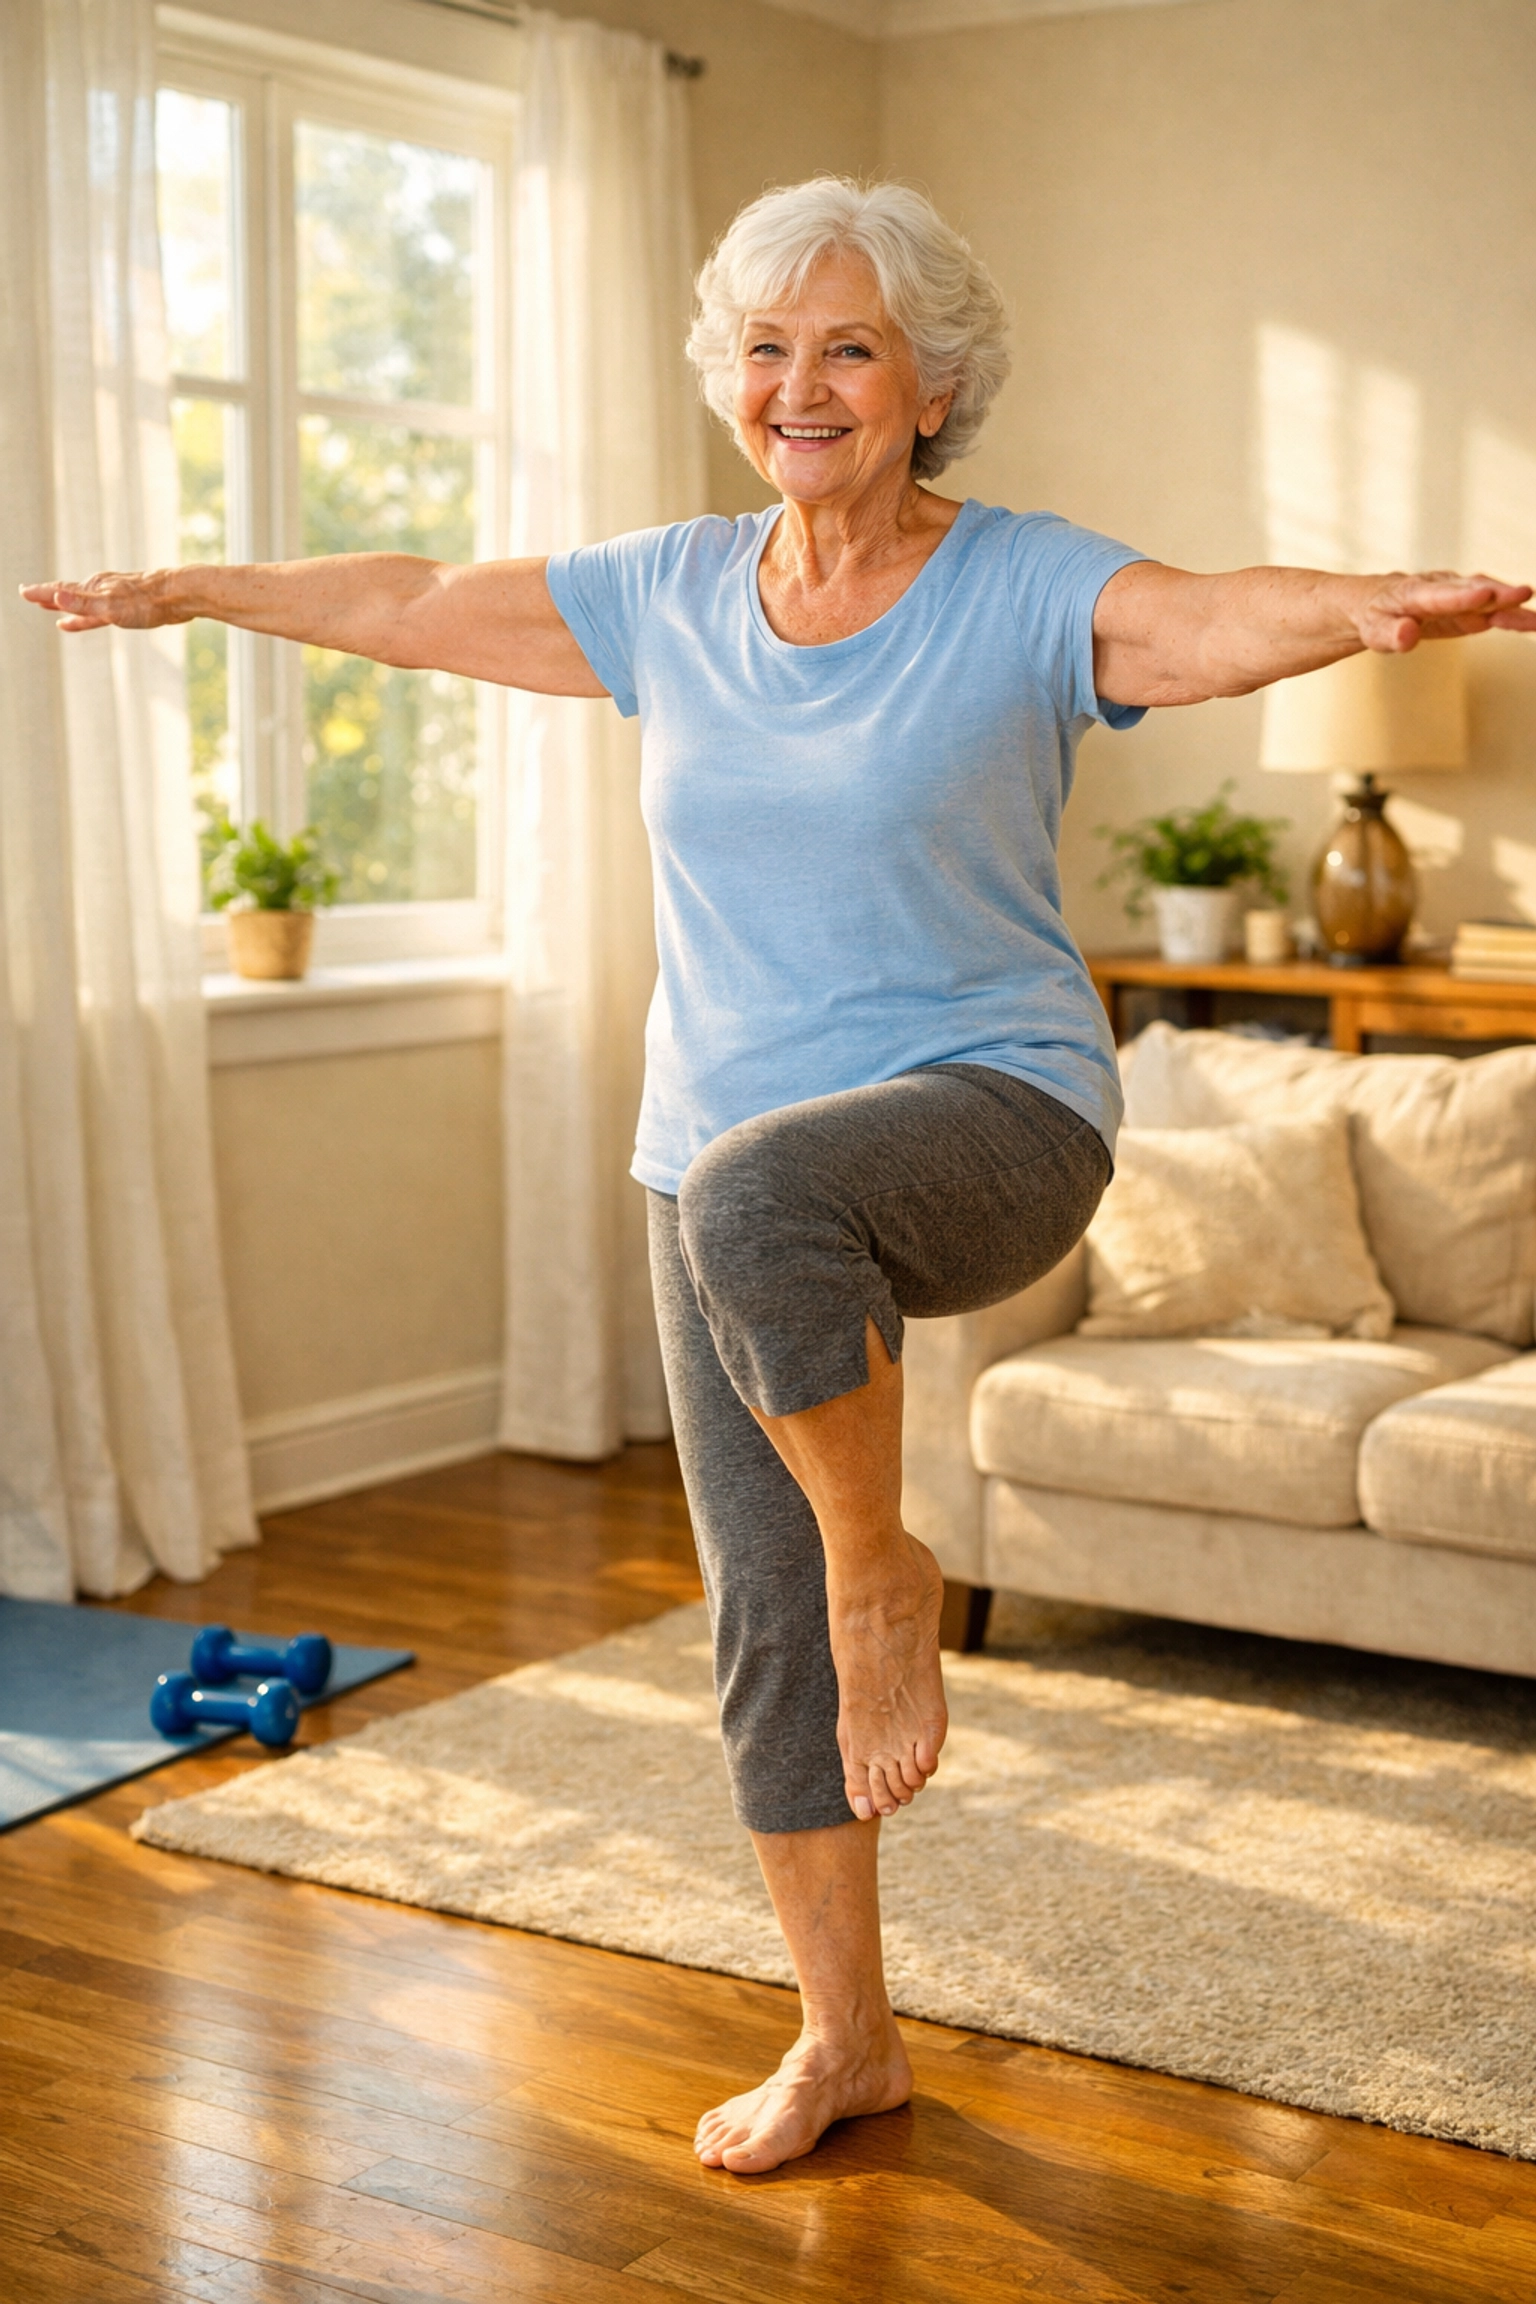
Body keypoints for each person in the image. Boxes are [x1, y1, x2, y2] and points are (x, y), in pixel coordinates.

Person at [24, 176, 1534, 2178]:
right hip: (722, 1169)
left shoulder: (1013, 585)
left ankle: (883, 1560)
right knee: (757, 1606)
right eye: (767, 346)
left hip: (994, 1114)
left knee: (763, 1226)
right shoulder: (663, 595)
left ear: (933, 388)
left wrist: (1348, 610)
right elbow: (408, 599)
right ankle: (848, 2041)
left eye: (848, 347)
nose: (799, 383)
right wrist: (210, 586)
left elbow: (1191, 616)